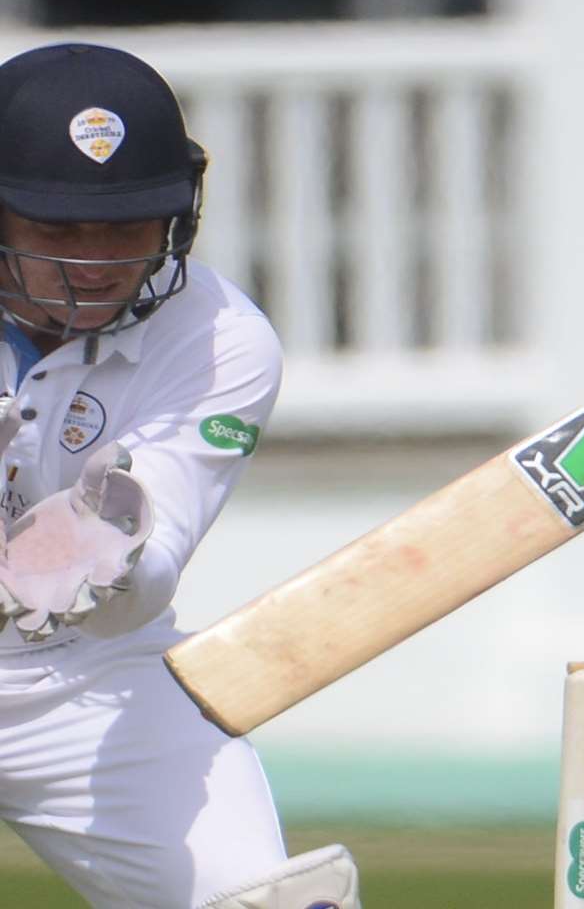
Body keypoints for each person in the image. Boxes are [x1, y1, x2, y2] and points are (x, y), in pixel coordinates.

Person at [0, 44, 358, 907]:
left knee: (260, 901)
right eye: (56, 230)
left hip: (82, 678)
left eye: (126, 226)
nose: (94, 264)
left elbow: (153, 561)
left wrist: (108, 560)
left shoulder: (222, 337)